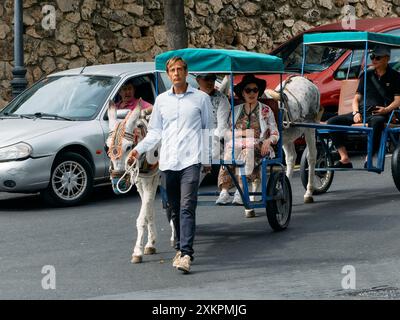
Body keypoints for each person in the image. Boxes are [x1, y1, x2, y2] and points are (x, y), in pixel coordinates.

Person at [128, 57, 212, 274]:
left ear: (186, 72)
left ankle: (186, 254)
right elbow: (155, 132)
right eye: (172, 70)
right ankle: (178, 248)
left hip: (191, 160)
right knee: (173, 208)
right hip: (169, 161)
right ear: (168, 74)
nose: (176, 73)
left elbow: (207, 130)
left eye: (179, 69)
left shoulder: (201, 99)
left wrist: (207, 159)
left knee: (187, 206)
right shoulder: (162, 101)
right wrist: (138, 150)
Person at [215, 74, 279, 217]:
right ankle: (224, 191)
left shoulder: (266, 110)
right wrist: (241, 134)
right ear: (242, 93)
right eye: (248, 90)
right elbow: (227, 132)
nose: (252, 93)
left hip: (258, 146)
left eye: (255, 90)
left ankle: (241, 190)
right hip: (237, 144)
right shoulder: (236, 110)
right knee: (229, 151)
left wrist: (268, 141)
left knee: (246, 152)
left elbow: (275, 133)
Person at [327, 45, 400, 168]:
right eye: (372, 57)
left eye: (377, 57)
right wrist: (356, 113)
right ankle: (344, 158)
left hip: (381, 112)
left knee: (377, 122)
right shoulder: (366, 75)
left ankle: (369, 157)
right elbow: (356, 99)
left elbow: (398, 100)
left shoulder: (395, 76)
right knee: (332, 121)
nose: (374, 60)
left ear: (387, 58)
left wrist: (386, 110)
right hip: (362, 111)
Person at [196, 73, 230, 172]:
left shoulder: (222, 99)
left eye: (213, 79)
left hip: (214, 139)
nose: (210, 82)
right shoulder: (190, 98)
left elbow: (221, 128)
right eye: (206, 79)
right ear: (198, 80)